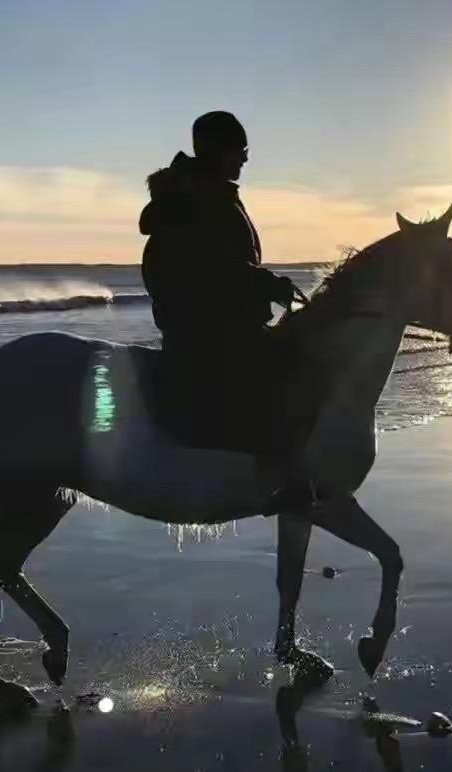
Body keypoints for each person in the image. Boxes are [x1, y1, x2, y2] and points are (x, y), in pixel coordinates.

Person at [139, 111, 311, 511]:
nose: (246, 160)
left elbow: (227, 261)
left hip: (217, 316)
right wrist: (268, 284)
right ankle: (274, 480)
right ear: (218, 150)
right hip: (205, 323)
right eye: (241, 150)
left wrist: (265, 285)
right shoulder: (197, 196)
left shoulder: (207, 190)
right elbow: (218, 264)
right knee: (284, 370)